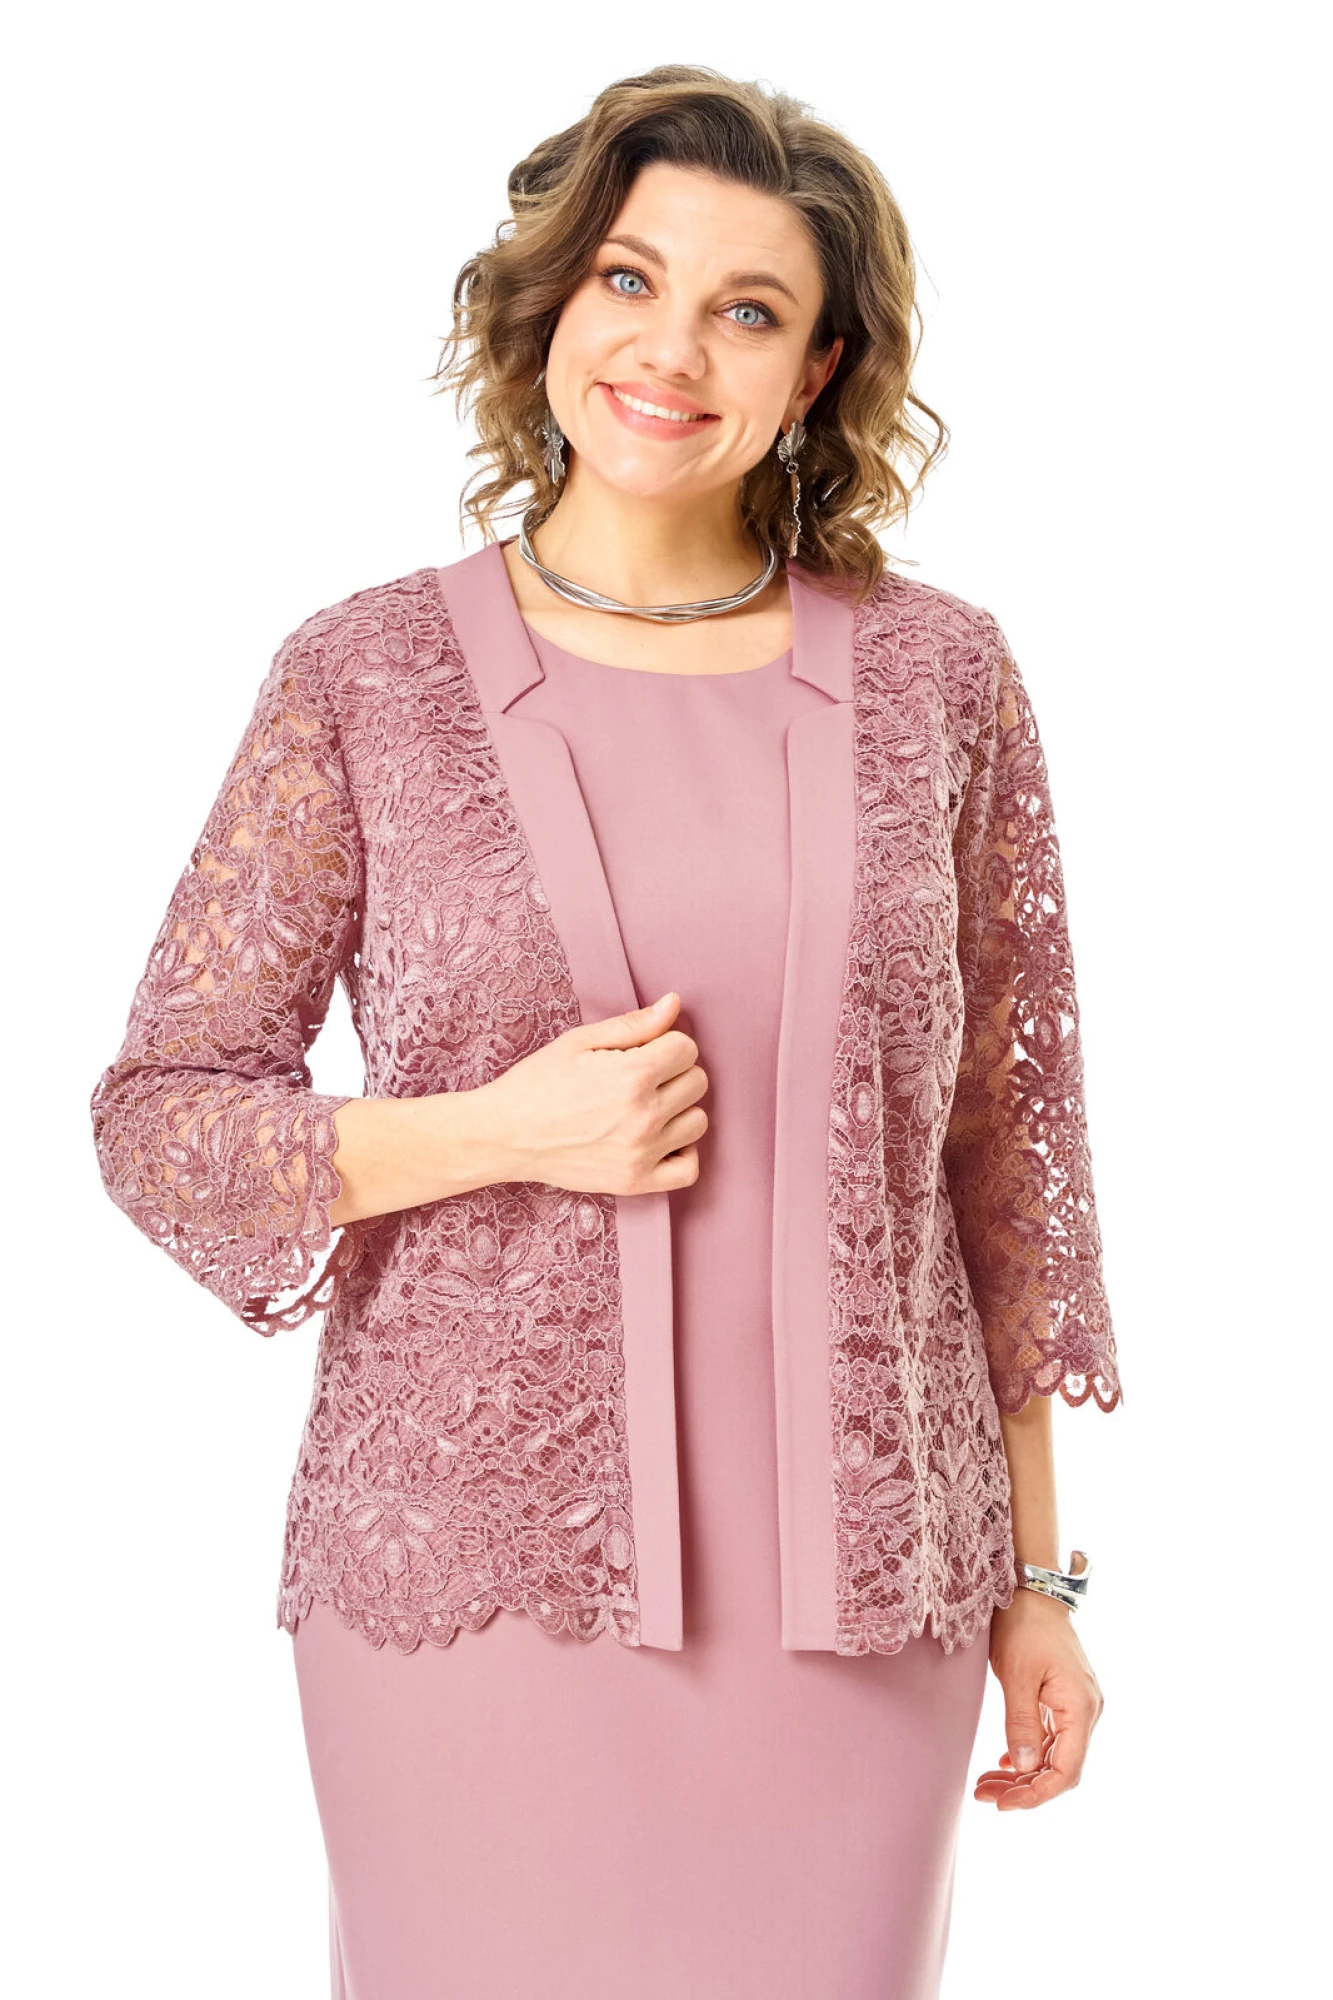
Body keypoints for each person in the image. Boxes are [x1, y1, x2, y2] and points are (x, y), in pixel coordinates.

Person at [89, 64, 1120, 2000]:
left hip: (861, 1599)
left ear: (816, 371)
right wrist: (495, 1129)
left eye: (748, 310)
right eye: (630, 281)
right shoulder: (366, 674)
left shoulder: (941, 678)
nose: (671, 350)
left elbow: (1002, 1165)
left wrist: (1038, 1581)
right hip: (470, 1584)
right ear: (552, 303)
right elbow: (161, 1114)